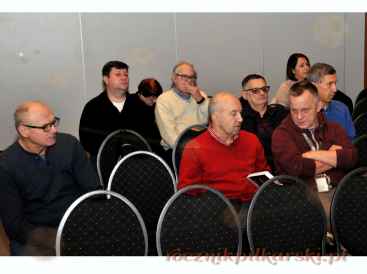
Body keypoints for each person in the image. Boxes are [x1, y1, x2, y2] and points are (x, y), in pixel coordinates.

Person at [0, 101, 100, 255]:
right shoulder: (6, 165)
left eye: (54, 122)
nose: (54, 129)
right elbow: (14, 225)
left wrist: (85, 225)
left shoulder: (69, 144)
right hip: (36, 234)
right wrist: (53, 240)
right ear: (24, 130)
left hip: (77, 223)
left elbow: (93, 190)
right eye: (45, 127)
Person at [271, 80, 357, 227]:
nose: (298, 116)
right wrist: (332, 155)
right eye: (294, 110)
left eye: (305, 110)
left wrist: (311, 155)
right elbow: (297, 167)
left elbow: (351, 158)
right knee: (336, 214)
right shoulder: (281, 134)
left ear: (318, 106)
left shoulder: (334, 128)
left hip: (340, 188)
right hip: (303, 194)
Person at [178, 91, 270, 204]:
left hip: (254, 203)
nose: (240, 119)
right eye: (233, 113)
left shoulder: (251, 140)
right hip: (217, 208)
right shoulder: (195, 148)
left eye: (240, 113)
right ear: (215, 117)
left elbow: (264, 176)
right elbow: (187, 191)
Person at [79, 60, 131, 164]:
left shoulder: (138, 104)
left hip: (137, 164)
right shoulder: (93, 107)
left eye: (126, 74)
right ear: (106, 79)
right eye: (118, 74)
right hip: (104, 164)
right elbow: (87, 140)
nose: (124, 78)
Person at [155, 61, 209, 152]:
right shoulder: (164, 100)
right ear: (174, 78)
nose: (188, 80)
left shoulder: (200, 95)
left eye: (191, 77)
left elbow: (209, 121)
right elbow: (169, 136)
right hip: (177, 148)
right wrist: (190, 149)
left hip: (202, 145)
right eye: (183, 76)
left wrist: (200, 100)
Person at [240, 74, 288, 172]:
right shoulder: (240, 119)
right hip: (253, 170)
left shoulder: (280, 112)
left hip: (284, 166)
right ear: (244, 95)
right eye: (255, 91)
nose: (262, 93)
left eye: (264, 89)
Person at [308, 63, 356, 141]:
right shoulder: (302, 112)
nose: (335, 89)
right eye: (329, 84)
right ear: (314, 86)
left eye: (335, 83)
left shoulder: (342, 109)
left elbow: (351, 141)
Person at [126, 78, 165, 158]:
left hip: (155, 148)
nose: (155, 101)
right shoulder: (129, 103)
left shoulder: (156, 105)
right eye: (152, 98)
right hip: (137, 151)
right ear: (142, 94)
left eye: (156, 97)